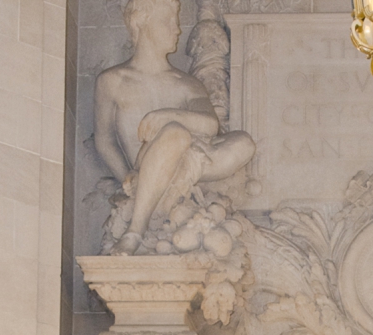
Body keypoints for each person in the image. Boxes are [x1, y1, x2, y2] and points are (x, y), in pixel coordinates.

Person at [94, 0, 255, 254]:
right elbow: (104, 141)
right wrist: (125, 174)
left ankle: (168, 190)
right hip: (144, 164)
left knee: (244, 142)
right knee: (175, 134)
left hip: (190, 162)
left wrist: (167, 115)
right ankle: (135, 230)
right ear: (140, 22)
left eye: (176, 20)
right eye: (168, 19)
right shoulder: (112, 81)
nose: (177, 28)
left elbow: (210, 125)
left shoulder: (187, 84)